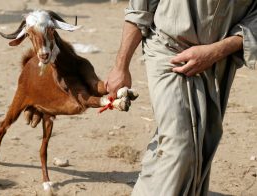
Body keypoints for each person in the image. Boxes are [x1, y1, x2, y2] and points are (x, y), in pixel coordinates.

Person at [104, 0, 257, 195]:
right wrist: (120, 67)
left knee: (197, 149)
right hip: (168, 52)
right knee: (180, 147)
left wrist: (218, 50)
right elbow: (140, 8)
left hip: (216, 64)